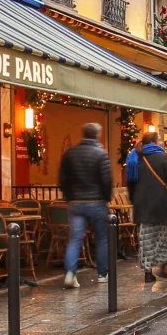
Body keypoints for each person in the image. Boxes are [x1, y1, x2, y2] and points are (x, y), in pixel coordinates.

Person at [58, 123, 113, 289]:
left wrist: (69, 197)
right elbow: (106, 180)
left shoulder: (70, 153)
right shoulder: (101, 154)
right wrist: (106, 198)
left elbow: (63, 179)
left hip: (76, 202)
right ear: (97, 135)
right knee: (102, 238)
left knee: (75, 239)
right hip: (97, 202)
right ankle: (102, 274)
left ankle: (70, 273)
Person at [128, 131, 167, 286]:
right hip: (161, 202)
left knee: (146, 238)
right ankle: (163, 267)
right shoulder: (162, 156)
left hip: (143, 204)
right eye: (159, 139)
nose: (161, 142)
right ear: (155, 142)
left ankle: (148, 273)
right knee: (164, 236)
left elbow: (130, 182)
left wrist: (134, 200)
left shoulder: (135, 158)